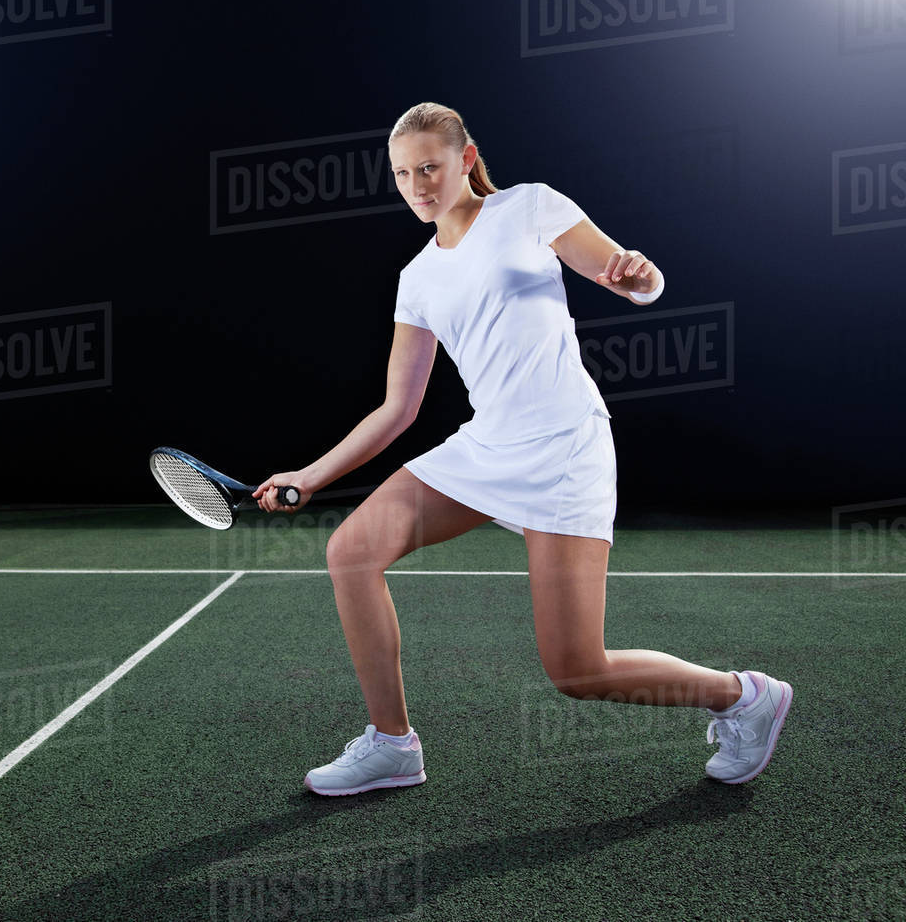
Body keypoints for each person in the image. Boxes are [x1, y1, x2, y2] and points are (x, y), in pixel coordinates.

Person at [253, 102, 794, 796]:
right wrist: (310, 475)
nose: (418, 184)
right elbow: (397, 409)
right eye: (402, 173)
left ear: (466, 159)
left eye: (430, 167)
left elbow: (624, 272)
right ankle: (392, 743)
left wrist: (639, 280)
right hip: (487, 446)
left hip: (565, 447)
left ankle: (743, 696)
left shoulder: (529, 207)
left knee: (577, 671)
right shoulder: (416, 279)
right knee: (350, 552)